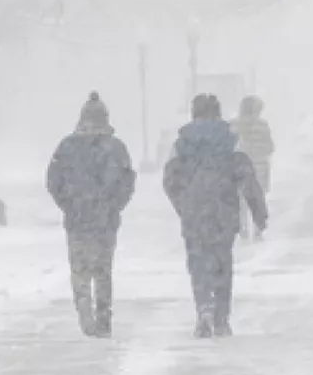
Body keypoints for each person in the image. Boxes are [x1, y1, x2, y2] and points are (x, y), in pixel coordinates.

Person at [163, 93, 269, 338]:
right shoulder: (231, 140)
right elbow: (247, 178)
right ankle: (221, 318)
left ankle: (203, 307)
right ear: (218, 113)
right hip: (224, 210)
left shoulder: (181, 142)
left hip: (194, 212)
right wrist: (259, 212)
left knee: (198, 261)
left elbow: (169, 179)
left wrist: (183, 204)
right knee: (222, 262)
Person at [46, 92, 137, 338]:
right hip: (105, 219)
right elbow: (127, 182)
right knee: (103, 269)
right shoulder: (116, 148)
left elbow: (53, 181)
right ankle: (104, 315)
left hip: (77, 218)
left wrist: (69, 204)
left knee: (80, 268)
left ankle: (84, 310)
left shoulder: (66, 147)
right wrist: (114, 205)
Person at [230, 94, 275, 240]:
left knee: (240, 198)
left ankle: (242, 229)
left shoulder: (233, 125)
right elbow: (270, 147)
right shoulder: (262, 125)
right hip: (259, 167)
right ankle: (258, 230)